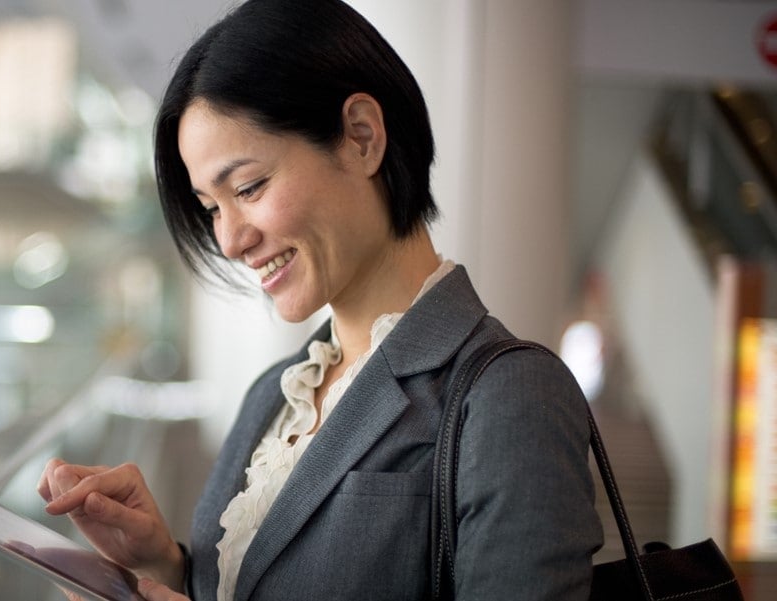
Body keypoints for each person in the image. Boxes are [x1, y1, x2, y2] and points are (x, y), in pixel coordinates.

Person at [37, 0, 603, 599]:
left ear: (361, 138)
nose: (230, 239)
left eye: (249, 187)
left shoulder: (511, 394)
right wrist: (166, 564)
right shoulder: (274, 395)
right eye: (211, 209)